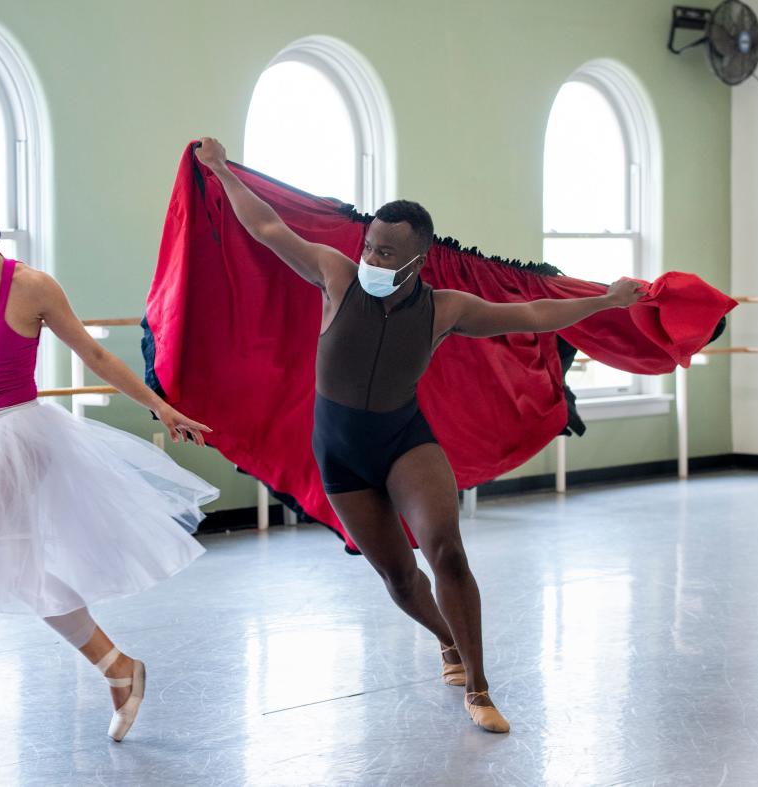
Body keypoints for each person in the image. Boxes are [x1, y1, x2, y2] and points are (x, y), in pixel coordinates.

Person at [195, 137, 644, 733]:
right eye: (369, 248)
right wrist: (221, 170)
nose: (372, 260)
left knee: (446, 550)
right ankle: (446, 641)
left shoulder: (446, 309)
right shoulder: (336, 276)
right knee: (400, 577)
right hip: (340, 452)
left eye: (386, 254)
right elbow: (269, 227)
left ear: (417, 261)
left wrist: (605, 301)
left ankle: (480, 689)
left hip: (406, 439)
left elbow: (533, 315)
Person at [0, 189, 219, 762]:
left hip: (17, 437)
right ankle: (119, 668)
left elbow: (96, 355)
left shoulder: (31, 287)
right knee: (26, 571)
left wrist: (161, 406)